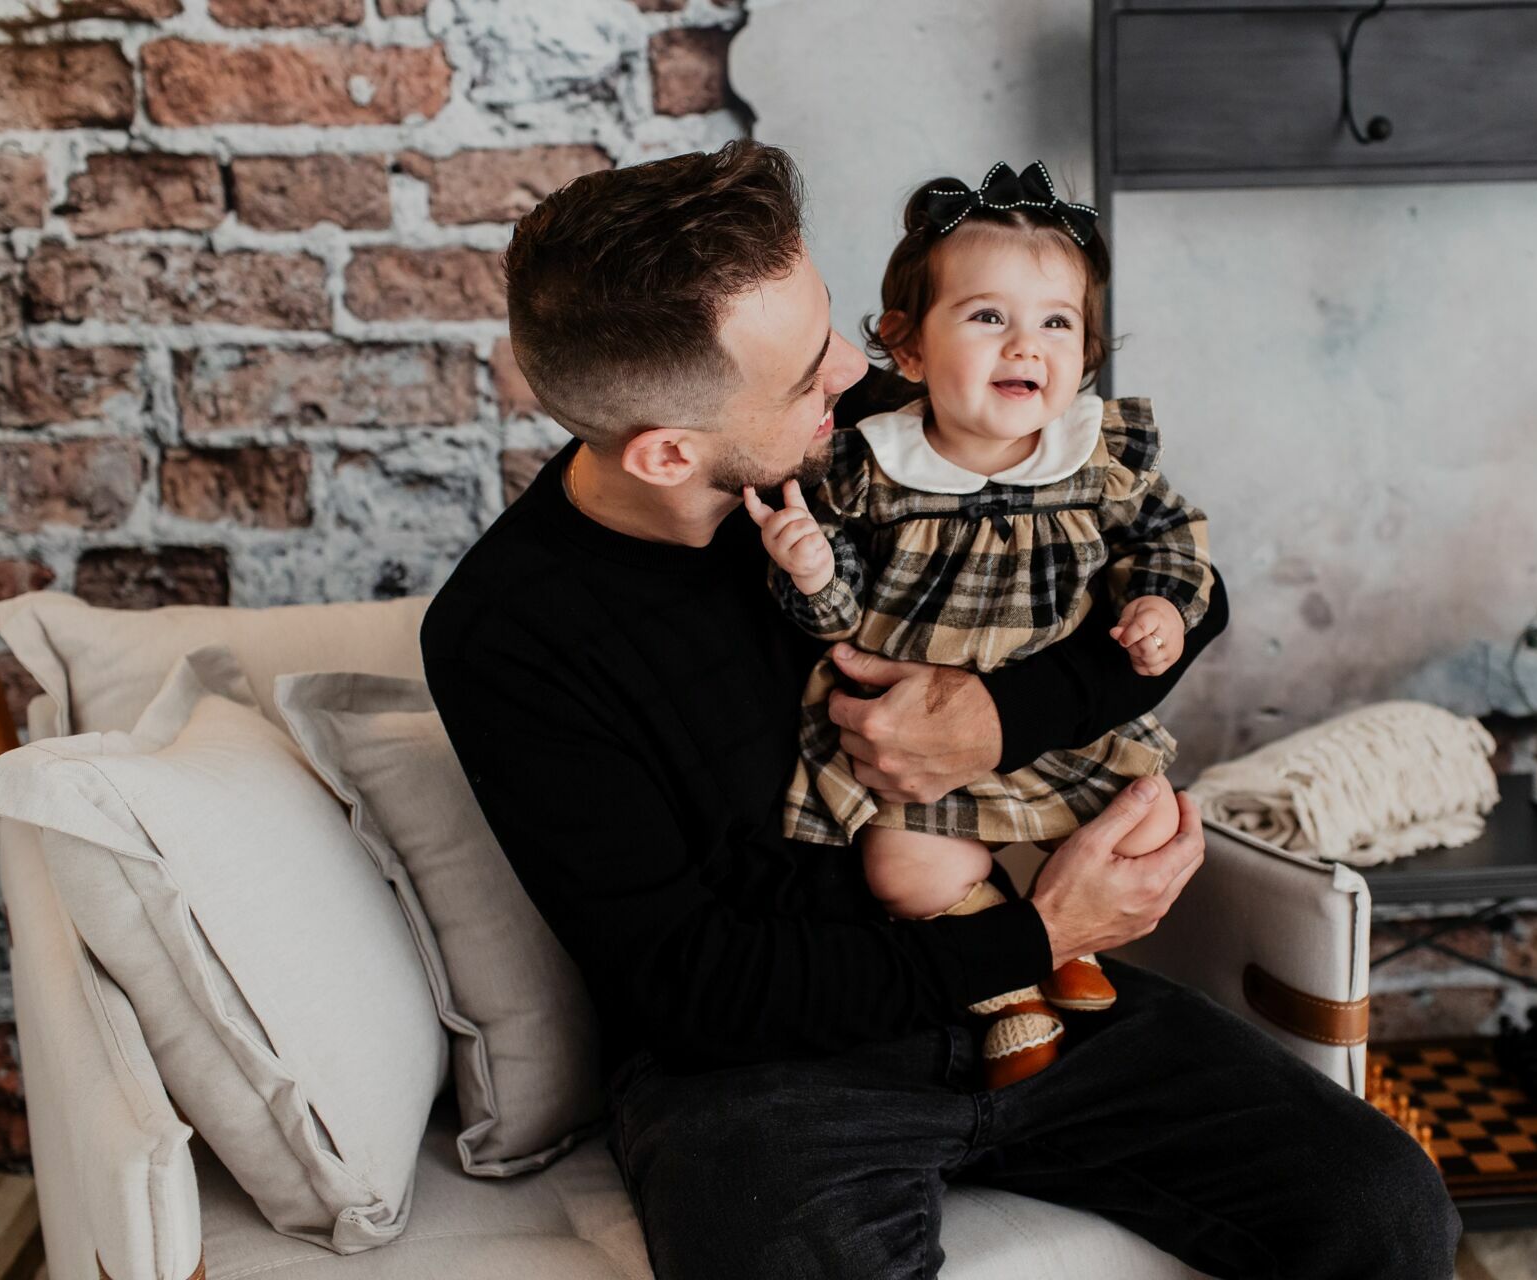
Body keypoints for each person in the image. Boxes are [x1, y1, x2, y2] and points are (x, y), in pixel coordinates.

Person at [420, 139, 1461, 1279]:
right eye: (808, 374)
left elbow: (1183, 589)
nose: (855, 368)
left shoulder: (874, 429)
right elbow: (695, 987)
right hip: (770, 1070)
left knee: (1385, 1209)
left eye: (832, 330)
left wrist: (999, 720)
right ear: (669, 452)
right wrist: (1045, 931)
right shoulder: (511, 636)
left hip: (1043, 987)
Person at [745, 159, 1213, 1089]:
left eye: (1057, 323)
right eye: (988, 317)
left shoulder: (1098, 456)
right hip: (907, 749)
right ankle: (1010, 985)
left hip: (1066, 732)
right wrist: (811, 570)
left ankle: (1071, 939)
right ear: (907, 347)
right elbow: (835, 620)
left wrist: (1162, 602)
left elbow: (1170, 538)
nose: (1026, 346)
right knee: (901, 867)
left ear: (1087, 350)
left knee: (1153, 820)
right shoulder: (869, 467)